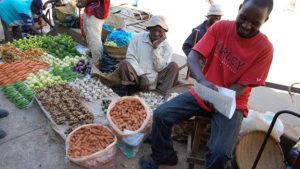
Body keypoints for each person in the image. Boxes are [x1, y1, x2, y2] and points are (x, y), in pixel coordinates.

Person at [138, 0, 274, 169]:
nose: (246, 25)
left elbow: (242, 87)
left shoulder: (265, 49)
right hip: (204, 91)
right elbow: (193, 56)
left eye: (255, 23)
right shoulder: (221, 27)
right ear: (239, 9)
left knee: (220, 153)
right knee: (161, 114)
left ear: (265, 20)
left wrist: (219, 99)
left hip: (232, 102)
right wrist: (202, 81)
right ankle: (165, 156)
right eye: (244, 18)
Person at [118, 15, 179, 95]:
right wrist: (142, 75)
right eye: (154, 30)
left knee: (174, 66)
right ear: (149, 29)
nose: (156, 34)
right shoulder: (137, 38)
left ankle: (160, 94)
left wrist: (155, 48)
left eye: (160, 31)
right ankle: (129, 90)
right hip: (138, 77)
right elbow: (130, 57)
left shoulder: (167, 48)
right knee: (124, 64)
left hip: (156, 79)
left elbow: (159, 68)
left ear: (164, 33)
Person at [80, 0, 110, 74]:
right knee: (89, 35)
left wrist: (84, 2)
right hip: (90, 9)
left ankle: (96, 67)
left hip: (97, 12)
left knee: (94, 39)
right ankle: (92, 55)